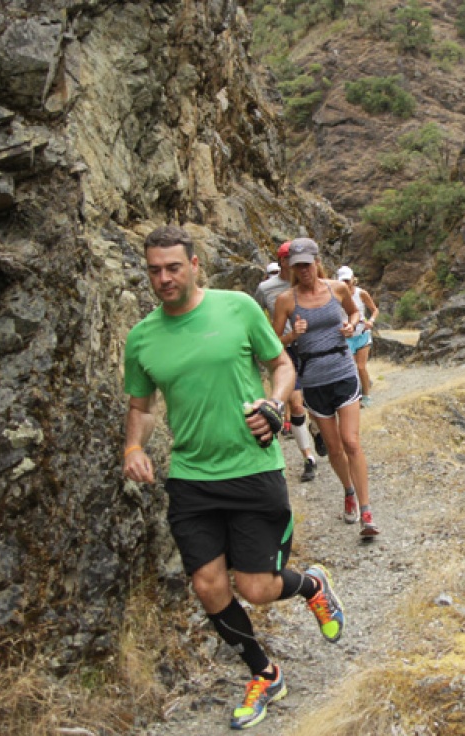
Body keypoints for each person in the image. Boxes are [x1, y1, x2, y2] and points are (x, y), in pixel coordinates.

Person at [122, 225, 345, 730]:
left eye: (173, 267)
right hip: (191, 479)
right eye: (154, 269)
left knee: (258, 587)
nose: (164, 278)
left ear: (194, 264)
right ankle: (264, 673)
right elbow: (142, 405)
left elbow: (281, 364)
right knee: (208, 585)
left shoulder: (238, 308)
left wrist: (273, 401)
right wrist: (133, 445)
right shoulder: (142, 337)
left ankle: (310, 584)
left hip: (253, 469)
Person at [271, 239, 380, 537]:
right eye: (297, 266)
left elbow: (354, 312)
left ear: (317, 262)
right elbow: (272, 342)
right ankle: (347, 491)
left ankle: (366, 511)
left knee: (351, 442)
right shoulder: (286, 301)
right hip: (313, 377)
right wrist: (293, 335)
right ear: (290, 268)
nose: (304, 271)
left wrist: (351, 326)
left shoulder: (337, 288)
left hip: (342, 369)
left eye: (307, 264)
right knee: (333, 447)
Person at [254, 242, 322, 482]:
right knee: (294, 402)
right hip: (285, 349)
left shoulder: (307, 282)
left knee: (312, 400)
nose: (295, 265)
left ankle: (316, 430)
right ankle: (308, 458)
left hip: (312, 346)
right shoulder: (266, 289)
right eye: (289, 260)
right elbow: (255, 316)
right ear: (282, 261)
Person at [336, 265, 379, 408]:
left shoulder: (361, 294)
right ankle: (357, 393)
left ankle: (366, 396)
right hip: (346, 337)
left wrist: (371, 321)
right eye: (343, 281)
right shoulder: (335, 295)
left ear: (353, 279)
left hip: (362, 334)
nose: (345, 284)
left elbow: (374, 310)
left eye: (347, 280)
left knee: (361, 367)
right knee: (351, 369)